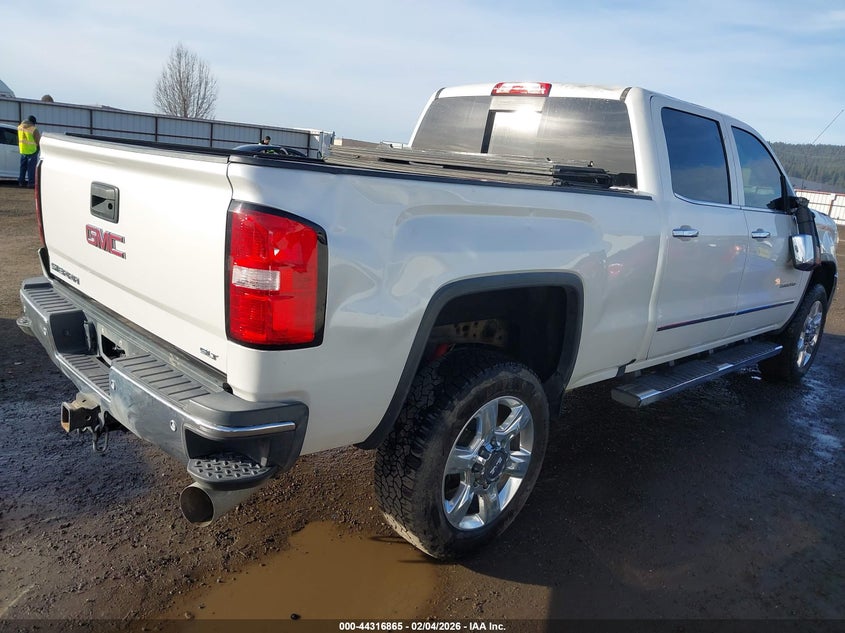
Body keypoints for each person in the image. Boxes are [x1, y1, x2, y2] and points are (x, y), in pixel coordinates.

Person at [18, 115, 41, 188]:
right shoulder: (34, 129)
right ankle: (31, 183)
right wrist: (38, 148)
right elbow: (38, 140)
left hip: (23, 150)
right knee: (31, 168)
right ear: (33, 122)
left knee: (23, 167)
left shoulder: (19, 127)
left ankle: (21, 182)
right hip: (32, 151)